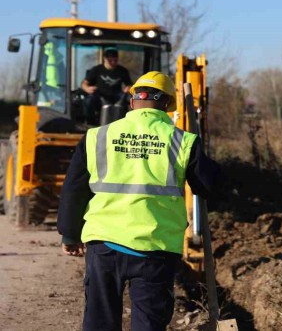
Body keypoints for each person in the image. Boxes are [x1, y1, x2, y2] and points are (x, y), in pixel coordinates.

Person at [58, 71, 222, 331]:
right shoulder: (183, 141)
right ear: (168, 105)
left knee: (99, 320)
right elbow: (210, 186)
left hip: (104, 244)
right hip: (154, 248)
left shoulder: (96, 136)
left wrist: (69, 234)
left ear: (132, 101)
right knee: (148, 323)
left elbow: (73, 190)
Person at [81, 48, 133, 122]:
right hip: (100, 95)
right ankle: (89, 122)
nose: (113, 63)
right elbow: (84, 83)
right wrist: (87, 88)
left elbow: (130, 85)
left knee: (132, 99)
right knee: (88, 100)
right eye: (110, 60)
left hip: (118, 96)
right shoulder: (97, 69)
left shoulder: (122, 70)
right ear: (104, 59)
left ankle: (130, 121)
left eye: (115, 60)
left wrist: (128, 88)